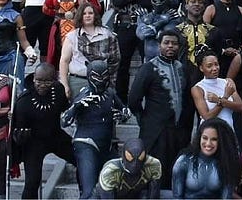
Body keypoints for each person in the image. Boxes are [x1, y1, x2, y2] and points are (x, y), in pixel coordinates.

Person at [128, 29, 193, 190]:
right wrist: (145, 119)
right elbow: (133, 99)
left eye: (174, 43)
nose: (170, 46)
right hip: (156, 131)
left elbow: (189, 101)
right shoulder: (148, 68)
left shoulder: (183, 68)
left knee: (176, 173)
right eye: (166, 43)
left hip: (180, 132)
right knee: (156, 175)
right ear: (159, 45)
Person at [60, 60, 132, 199]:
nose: (100, 81)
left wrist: (122, 115)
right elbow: (64, 121)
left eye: (104, 77)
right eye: (96, 78)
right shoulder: (83, 94)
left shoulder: (110, 93)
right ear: (89, 77)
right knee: (89, 191)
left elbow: (126, 111)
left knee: (124, 180)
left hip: (106, 145)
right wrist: (77, 107)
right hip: (87, 144)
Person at [13, 64, 75, 199]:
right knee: (32, 182)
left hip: (55, 136)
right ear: (33, 78)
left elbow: (66, 109)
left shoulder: (58, 90)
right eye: (39, 80)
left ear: (54, 80)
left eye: (47, 81)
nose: (42, 85)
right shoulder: (24, 102)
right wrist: (19, 137)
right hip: (33, 143)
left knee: (81, 158)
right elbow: (17, 133)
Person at [109, 0, 149, 100]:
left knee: (147, 63)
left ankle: (144, 98)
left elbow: (150, 1)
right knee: (122, 64)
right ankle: (121, 100)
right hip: (124, 25)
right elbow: (116, 1)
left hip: (144, 24)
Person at [42, 0, 102, 64]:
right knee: (59, 53)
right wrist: (60, 15)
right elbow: (46, 7)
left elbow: (97, 9)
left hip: (80, 26)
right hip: (59, 27)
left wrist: (85, 3)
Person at [59, 3, 120, 101]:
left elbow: (115, 60)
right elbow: (64, 62)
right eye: (84, 13)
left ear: (95, 15)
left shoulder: (107, 35)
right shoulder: (72, 36)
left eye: (90, 13)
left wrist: (110, 83)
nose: (87, 16)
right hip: (78, 82)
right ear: (80, 16)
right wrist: (65, 85)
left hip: (102, 82)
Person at [171, 117, 239, 199]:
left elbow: (226, 197)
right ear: (199, 138)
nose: (208, 143)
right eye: (205, 138)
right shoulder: (184, 161)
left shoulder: (227, 163)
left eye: (214, 139)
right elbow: (177, 197)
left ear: (222, 141)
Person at [191, 50, 242, 132]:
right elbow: (207, 117)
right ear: (201, 68)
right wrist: (225, 97)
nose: (214, 68)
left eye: (216, 64)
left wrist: (219, 100)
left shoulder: (227, 82)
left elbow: (241, 107)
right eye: (209, 66)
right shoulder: (198, 88)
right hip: (209, 132)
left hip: (228, 130)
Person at [203, 0, 242, 75]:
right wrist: (223, 50)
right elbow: (204, 34)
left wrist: (239, 50)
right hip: (217, 54)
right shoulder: (211, 9)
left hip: (237, 54)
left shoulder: (241, 10)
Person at [92, 138, 162, 199]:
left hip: (137, 195)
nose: (135, 165)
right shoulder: (110, 171)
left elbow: (154, 193)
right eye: (130, 159)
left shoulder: (153, 165)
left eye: (139, 159)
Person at [0, 0, 36, 83]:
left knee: (13, 87)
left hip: (10, 57)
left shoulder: (16, 16)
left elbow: (23, 40)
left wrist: (30, 52)